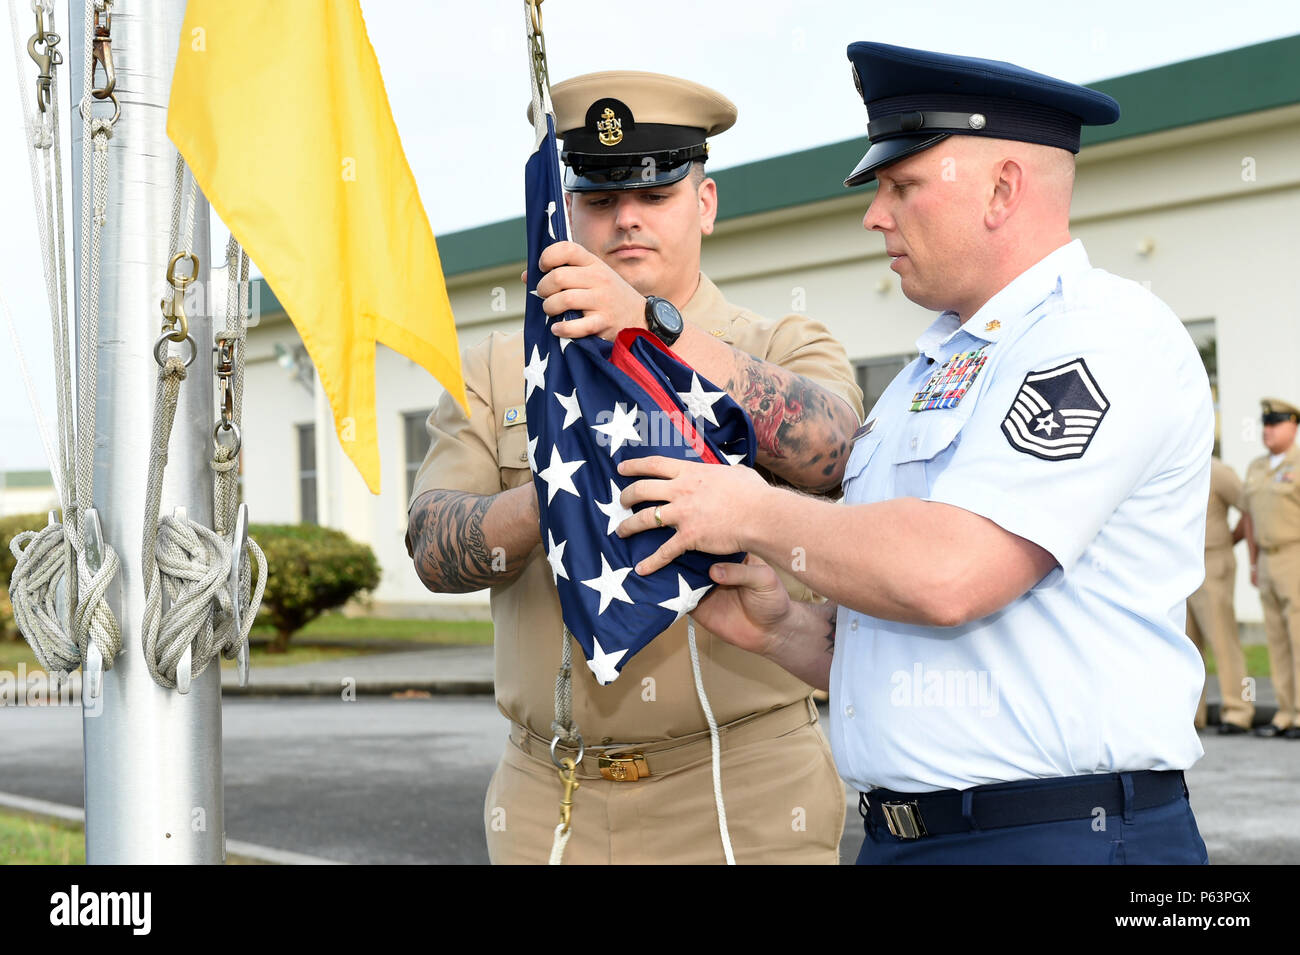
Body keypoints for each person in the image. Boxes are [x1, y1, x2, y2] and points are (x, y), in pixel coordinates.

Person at [616, 42, 1214, 864]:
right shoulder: (932, 375)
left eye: (902, 186)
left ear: (1003, 188)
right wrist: (785, 627)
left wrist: (750, 510)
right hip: (909, 836)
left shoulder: (1100, 336)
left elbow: (949, 576)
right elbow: (911, 644)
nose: (874, 215)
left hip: (1055, 837)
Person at [406, 71, 864, 864]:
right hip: (551, 791)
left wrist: (653, 329)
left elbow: (834, 449)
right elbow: (432, 548)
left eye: (655, 195)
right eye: (599, 197)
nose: (626, 219)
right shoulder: (496, 366)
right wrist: (559, 493)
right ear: (566, 210)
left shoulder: (781, 343)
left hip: (743, 788)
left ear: (706, 203)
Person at [1240, 397, 1300, 739]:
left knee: (1298, 637)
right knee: (1276, 638)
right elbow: (1249, 517)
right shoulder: (1257, 467)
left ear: (1293, 426)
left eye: (1275, 424)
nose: (1267, 431)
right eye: (1265, 424)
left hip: (1295, 555)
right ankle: (1285, 712)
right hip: (1266, 559)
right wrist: (1252, 559)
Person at [1186, 455, 1252, 733]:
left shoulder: (1219, 471)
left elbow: (1252, 508)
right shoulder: (1178, 464)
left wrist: (1230, 540)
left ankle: (1239, 710)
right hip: (1182, 565)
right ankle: (1192, 715)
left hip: (1212, 561)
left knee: (1223, 641)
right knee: (1185, 645)